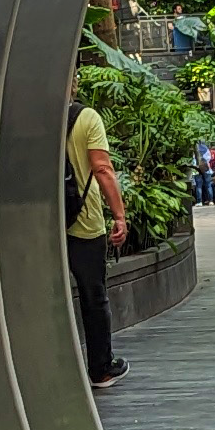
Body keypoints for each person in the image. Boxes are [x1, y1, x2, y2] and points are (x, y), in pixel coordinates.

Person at [65, 87, 129, 390]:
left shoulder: (31, 118)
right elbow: (102, 169)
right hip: (83, 220)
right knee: (93, 295)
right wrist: (119, 216)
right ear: (73, 85)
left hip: (41, 222)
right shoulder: (86, 117)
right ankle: (101, 369)